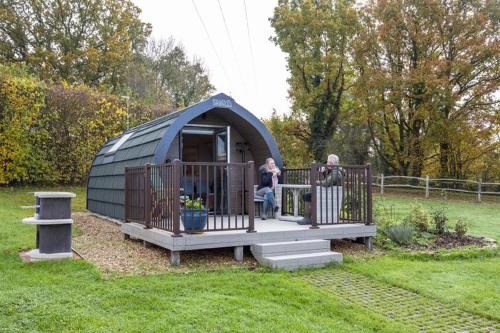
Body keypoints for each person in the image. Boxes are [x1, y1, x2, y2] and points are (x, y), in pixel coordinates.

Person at [297, 154, 343, 225]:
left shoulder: (335, 172)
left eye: (328, 162)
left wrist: (316, 182)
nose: (326, 164)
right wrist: (325, 172)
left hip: (328, 196)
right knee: (306, 195)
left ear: (331, 163)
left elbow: (326, 183)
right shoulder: (334, 171)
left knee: (307, 195)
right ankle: (310, 217)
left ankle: (307, 218)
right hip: (327, 194)